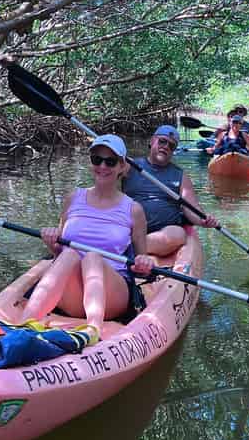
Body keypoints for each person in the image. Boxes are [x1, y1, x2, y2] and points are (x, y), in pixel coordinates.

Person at [21, 134, 154, 338]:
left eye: (110, 161)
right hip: (73, 294)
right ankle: (24, 324)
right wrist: (51, 242)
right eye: (97, 159)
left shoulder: (133, 210)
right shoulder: (73, 198)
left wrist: (143, 264)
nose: (102, 166)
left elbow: (142, 264)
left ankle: (92, 330)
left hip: (112, 294)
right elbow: (58, 252)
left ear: (122, 166)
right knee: (69, 254)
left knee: (92, 257)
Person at [123, 125, 219, 257]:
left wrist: (203, 220)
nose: (166, 147)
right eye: (162, 141)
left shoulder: (180, 176)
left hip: (163, 231)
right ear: (152, 141)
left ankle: (130, 248)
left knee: (178, 234)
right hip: (131, 227)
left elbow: (191, 207)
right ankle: (130, 245)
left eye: (171, 145)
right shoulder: (129, 166)